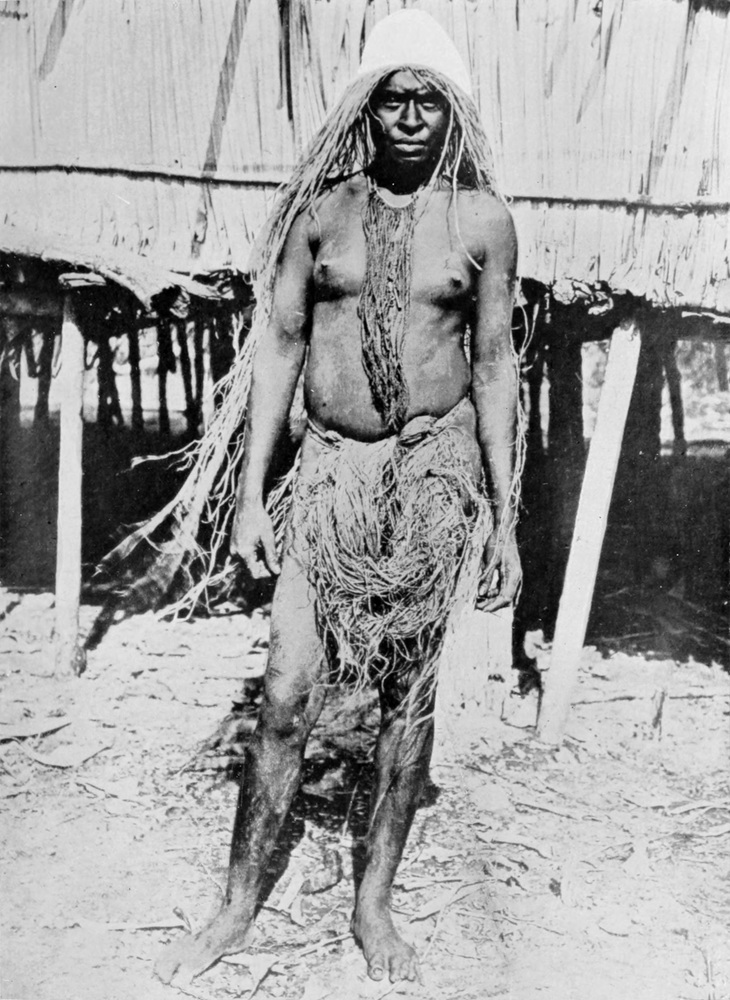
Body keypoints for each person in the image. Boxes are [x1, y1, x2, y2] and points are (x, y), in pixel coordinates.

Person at [155, 9, 522, 987]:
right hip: (328, 480)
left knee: (407, 701)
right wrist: (249, 495)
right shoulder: (321, 215)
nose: (409, 116)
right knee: (285, 695)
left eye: (428, 101)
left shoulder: (483, 222)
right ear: (366, 106)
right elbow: (278, 348)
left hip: (432, 481)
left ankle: (373, 905)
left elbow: (494, 365)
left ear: (452, 112)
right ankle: (238, 903)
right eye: (392, 98)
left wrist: (503, 519)